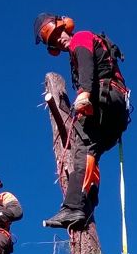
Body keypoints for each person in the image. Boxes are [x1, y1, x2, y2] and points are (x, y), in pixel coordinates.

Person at [34, 13, 130, 229]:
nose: (59, 39)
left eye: (59, 33)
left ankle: (73, 207)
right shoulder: (77, 49)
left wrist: (84, 93)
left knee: (82, 146)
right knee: (90, 151)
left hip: (105, 98)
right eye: (53, 40)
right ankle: (86, 205)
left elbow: (87, 64)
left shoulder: (81, 38)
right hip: (114, 111)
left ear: (66, 26)